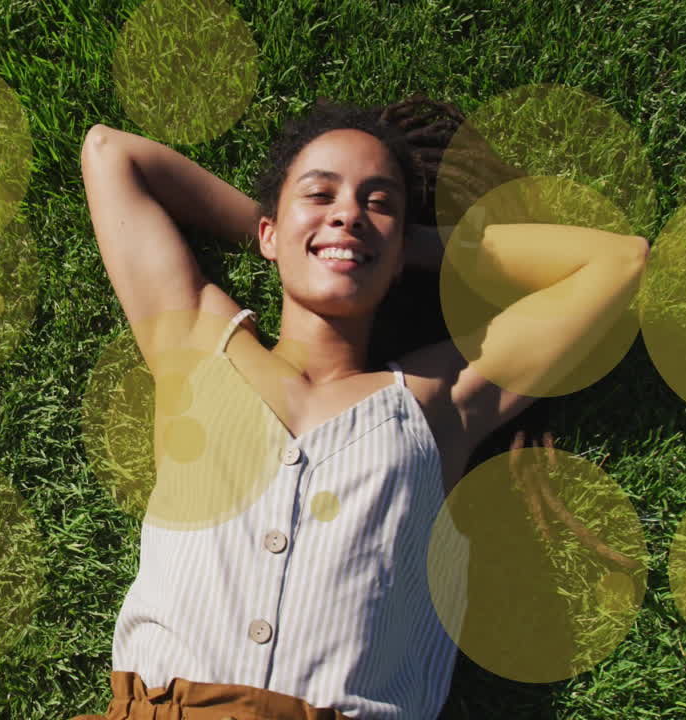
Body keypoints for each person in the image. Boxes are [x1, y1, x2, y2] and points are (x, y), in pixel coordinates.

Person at [73, 95, 648, 720]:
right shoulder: (196, 344)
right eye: (320, 195)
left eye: (378, 203)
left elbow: (619, 262)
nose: (348, 213)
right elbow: (110, 152)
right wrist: (287, 233)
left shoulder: (438, 402)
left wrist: (406, 246)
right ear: (269, 230)